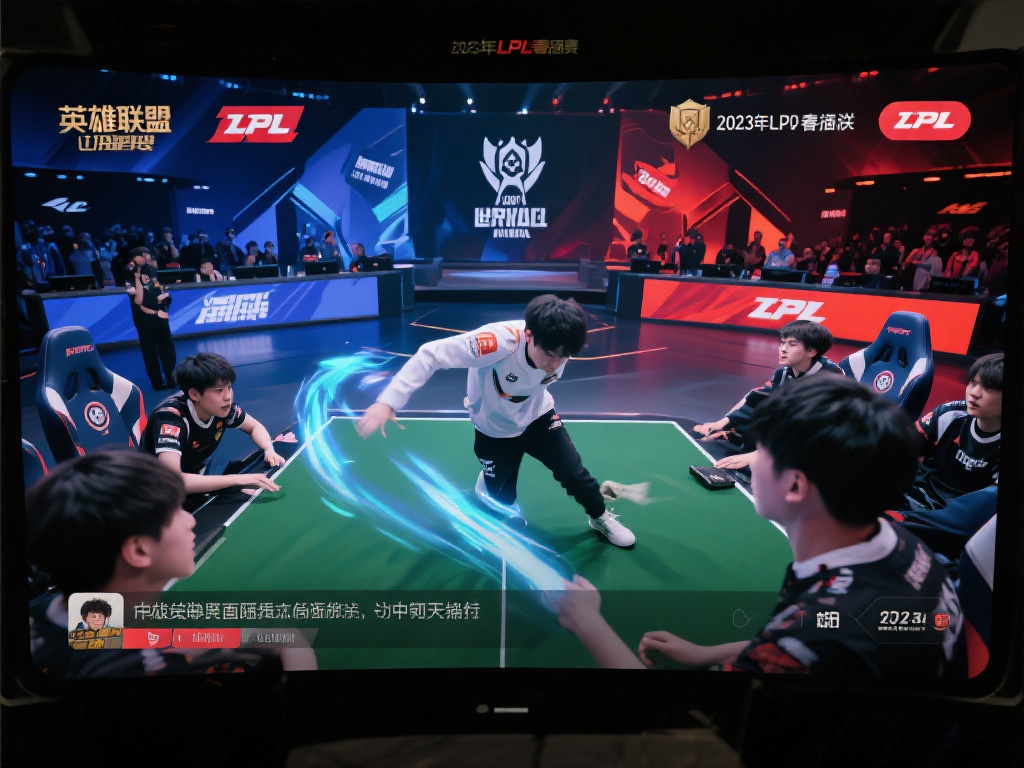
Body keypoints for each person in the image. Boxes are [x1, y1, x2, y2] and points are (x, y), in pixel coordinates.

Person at [558, 375, 963, 678]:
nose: (750, 463)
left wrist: (587, 623)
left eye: (761, 453)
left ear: (795, 486)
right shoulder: (901, 545)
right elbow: (827, 624)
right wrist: (708, 654)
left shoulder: (812, 646)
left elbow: (683, 732)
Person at [356, 294, 636, 547]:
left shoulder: (560, 345)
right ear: (529, 336)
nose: (554, 364)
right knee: (502, 500)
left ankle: (600, 517)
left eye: (563, 357)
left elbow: (549, 365)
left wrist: (557, 356)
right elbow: (430, 355)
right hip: (494, 430)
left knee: (574, 473)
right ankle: (489, 484)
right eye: (550, 355)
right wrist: (388, 401)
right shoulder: (496, 343)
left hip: (537, 416)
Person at [25, 450, 315, 677]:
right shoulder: (149, 671)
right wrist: (296, 645)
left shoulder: (65, 612)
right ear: (139, 550)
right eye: (175, 512)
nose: (191, 521)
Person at [893, 354, 1002, 566]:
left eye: (988, 388)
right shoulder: (950, 413)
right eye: (973, 383)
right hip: (920, 496)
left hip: (962, 524)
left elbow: (982, 508)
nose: (974, 393)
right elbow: (899, 449)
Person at [694, 320, 843, 470]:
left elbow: (813, 429)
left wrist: (756, 456)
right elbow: (763, 402)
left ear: (811, 351)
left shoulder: (830, 379)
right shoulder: (783, 374)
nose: (783, 349)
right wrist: (722, 424)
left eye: (792, 344)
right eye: (782, 343)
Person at [139, 353, 284, 502]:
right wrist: (236, 480)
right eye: (219, 390)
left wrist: (269, 449)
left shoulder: (222, 408)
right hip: (153, 492)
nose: (228, 397)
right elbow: (172, 480)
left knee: (252, 470)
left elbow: (254, 426)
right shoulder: (171, 418)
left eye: (229, 387)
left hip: (193, 472)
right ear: (194, 394)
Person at [126, 245, 177, 390]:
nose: (146, 257)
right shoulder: (130, 272)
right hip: (143, 318)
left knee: (167, 346)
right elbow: (137, 298)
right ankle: (157, 382)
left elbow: (159, 285)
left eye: (147, 254)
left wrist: (164, 295)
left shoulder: (152, 269)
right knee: (149, 351)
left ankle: (170, 376)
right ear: (135, 257)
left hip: (160, 315)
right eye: (143, 255)